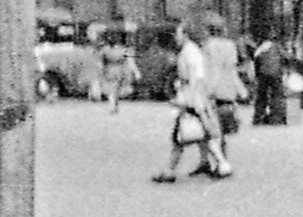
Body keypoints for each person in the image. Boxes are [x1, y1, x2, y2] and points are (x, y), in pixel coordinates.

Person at [152, 16, 232, 183]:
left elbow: (197, 76)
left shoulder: (190, 52)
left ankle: (169, 171)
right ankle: (221, 164)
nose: (176, 37)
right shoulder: (190, 51)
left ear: (186, 34)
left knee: (180, 136)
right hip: (194, 97)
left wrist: (189, 98)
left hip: (192, 98)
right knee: (203, 135)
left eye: (178, 34)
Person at [200, 14, 249, 167]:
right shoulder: (230, 45)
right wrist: (241, 89)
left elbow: (212, 69)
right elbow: (231, 69)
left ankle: (215, 162)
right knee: (222, 126)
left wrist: (208, 90)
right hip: (228, 90)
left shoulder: (208, 45)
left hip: (214, 89)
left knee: (210, 128)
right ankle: (219, 159)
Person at [251, 34, 290, 125]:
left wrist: (257, 75)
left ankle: (258, 117)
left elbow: (256, 60)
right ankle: (277, 117)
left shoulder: (260, 48)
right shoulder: (276, 46)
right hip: (275, 75)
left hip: (263, 75)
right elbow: (287, 57)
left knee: (261, 96)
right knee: (277, 95)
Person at [99, 28, 136, 113]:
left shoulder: (122, 49)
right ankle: (112, 106)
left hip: (119, 70)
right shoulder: (105, 49)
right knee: (111, 89)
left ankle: (114, 105)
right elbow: (101, 61)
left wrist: (132, 71)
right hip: (110, 70)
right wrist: (102, 70)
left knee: (116, 90)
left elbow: (129, 60)